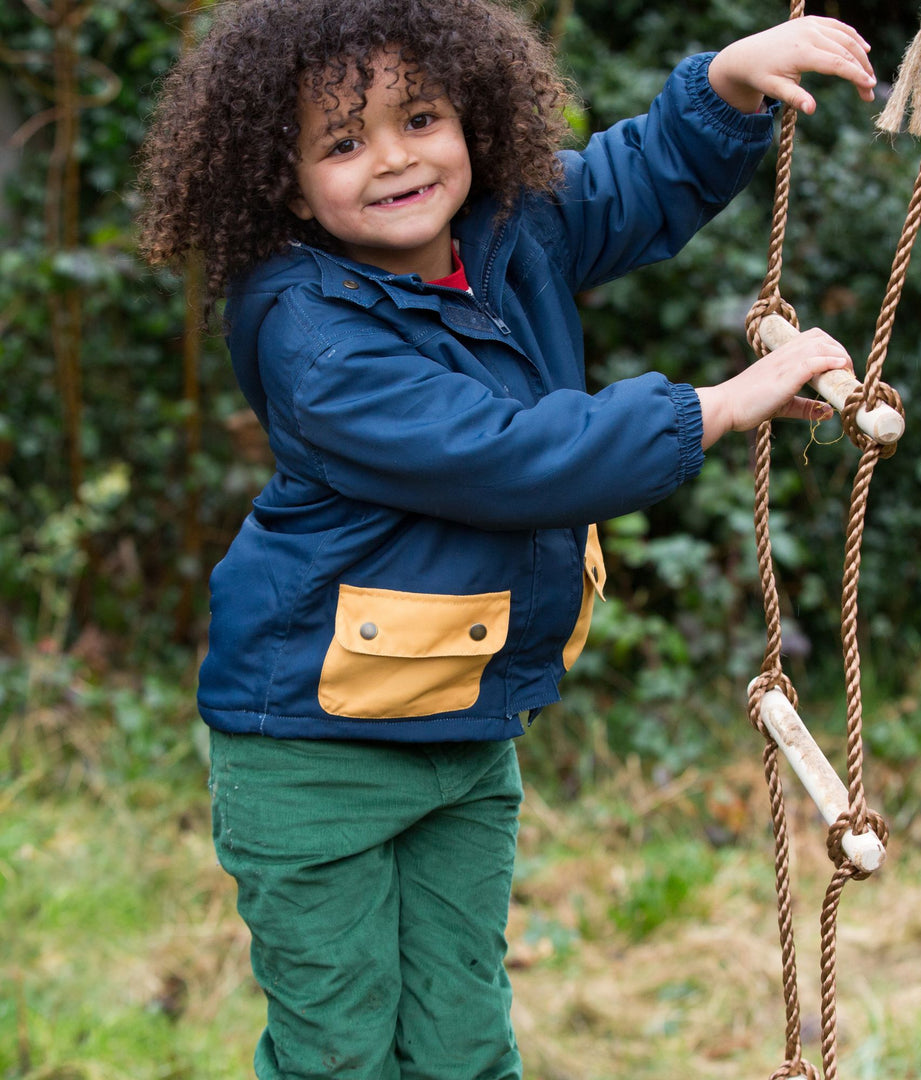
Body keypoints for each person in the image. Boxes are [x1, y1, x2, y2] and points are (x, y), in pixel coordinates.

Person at [138, 1, 875, 1076]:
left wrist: (727, 82)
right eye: (342, 143)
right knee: (338, 1050)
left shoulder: (503, 228)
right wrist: (716, 405)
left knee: (464, 1040)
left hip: (466, 731)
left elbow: (628, 181)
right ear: (287, 184)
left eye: (420, 118)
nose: (393, 160)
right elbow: (509, 454)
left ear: (473, 120)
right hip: (312, 750)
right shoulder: (310, 333)